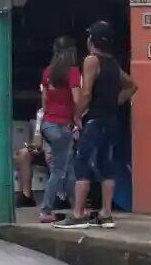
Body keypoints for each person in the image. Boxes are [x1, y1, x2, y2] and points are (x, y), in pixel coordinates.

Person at [63, 21, 136, 229]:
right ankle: (106, 214)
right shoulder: (112, 63)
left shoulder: (91, 61)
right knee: (107, 166)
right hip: (111, 120)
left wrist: (75, 115)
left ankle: (78, 215)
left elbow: (86, 93)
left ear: (91, 40)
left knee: (82, 164)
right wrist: (114, 101)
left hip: (94, 120)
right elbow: (132, 85)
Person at [36, 36, 81, 224]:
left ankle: (77, 208)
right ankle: (46, 210)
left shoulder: (47, 72)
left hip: (48, 125)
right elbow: (77, 99)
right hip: (62, 126)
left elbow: (44, 101)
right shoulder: (72, 72)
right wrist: (78, 121)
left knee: (68, 168)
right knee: (59, 170)